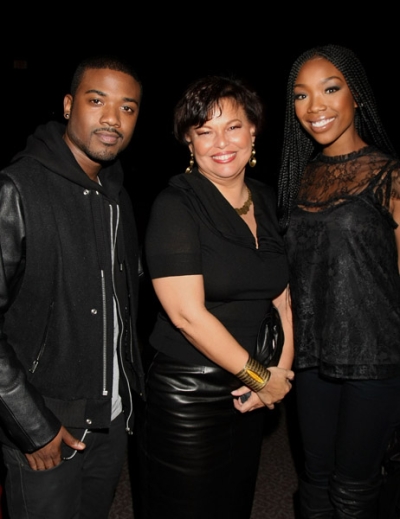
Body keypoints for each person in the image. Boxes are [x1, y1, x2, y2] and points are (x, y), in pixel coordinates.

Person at [138, 75, 294, 519]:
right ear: (189, 141)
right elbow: (187, 315)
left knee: (234, 505)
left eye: (233, 126)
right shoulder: (176, 205)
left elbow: (283, 300)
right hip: (188, 392)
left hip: (250, 387)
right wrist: (261, 378)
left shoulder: (266, 198)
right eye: (204, 131)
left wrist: (279, 376)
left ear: (253, 130)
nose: (221, 142)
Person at [0, 55, 145, 519]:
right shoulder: (17, 188)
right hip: (47, 427)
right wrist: (32, 425)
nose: (112, 118)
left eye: (127, 107)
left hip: (111, 421)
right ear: (68, 105)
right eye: (97, 101)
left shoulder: (118, 198)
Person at [278, 44, 400, 518]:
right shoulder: (296, 178)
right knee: (315, 480)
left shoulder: (389, 174)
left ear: (357, 96)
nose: (315, 106)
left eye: (330, 89)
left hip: (376, 361)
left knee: (354, 489)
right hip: (312, 360)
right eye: (301, 95)